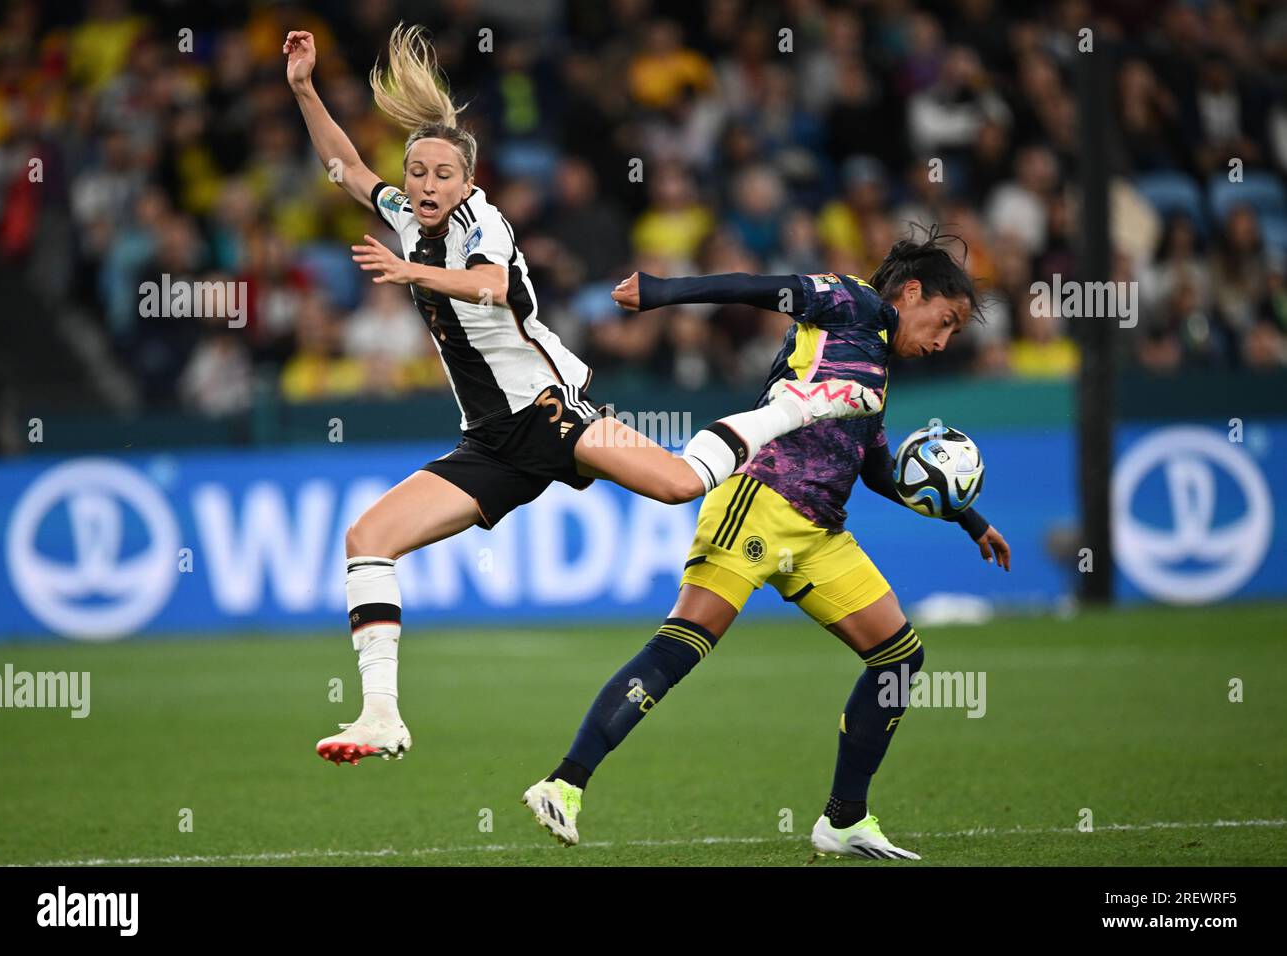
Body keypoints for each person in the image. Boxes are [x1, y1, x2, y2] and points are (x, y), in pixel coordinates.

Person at [284, 25, 882, 765]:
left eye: (443, 174)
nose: (428, 186)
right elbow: (343, 165)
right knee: (366, 541)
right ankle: (381, 716)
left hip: (547, 410)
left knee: (674, 484)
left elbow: (490, 286)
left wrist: (415, 276)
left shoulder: (485, 222)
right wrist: (306, 88)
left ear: (467, 182)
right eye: (416, 174)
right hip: (491, 439)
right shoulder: (406, 220)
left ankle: (800, 405)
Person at [523, 231, 1012, 860]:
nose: (943, 341)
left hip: (819, 531)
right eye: (945, 322)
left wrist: (967, 518)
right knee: (681, 645)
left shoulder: (874, 363)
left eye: (954, 333)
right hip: (758, 501)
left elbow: (874, 467)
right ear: (912, 291)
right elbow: (758, 288)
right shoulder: (850, 302)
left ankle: (844, 820)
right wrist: (662, 293)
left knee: (897, 660)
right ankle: (564, 783)